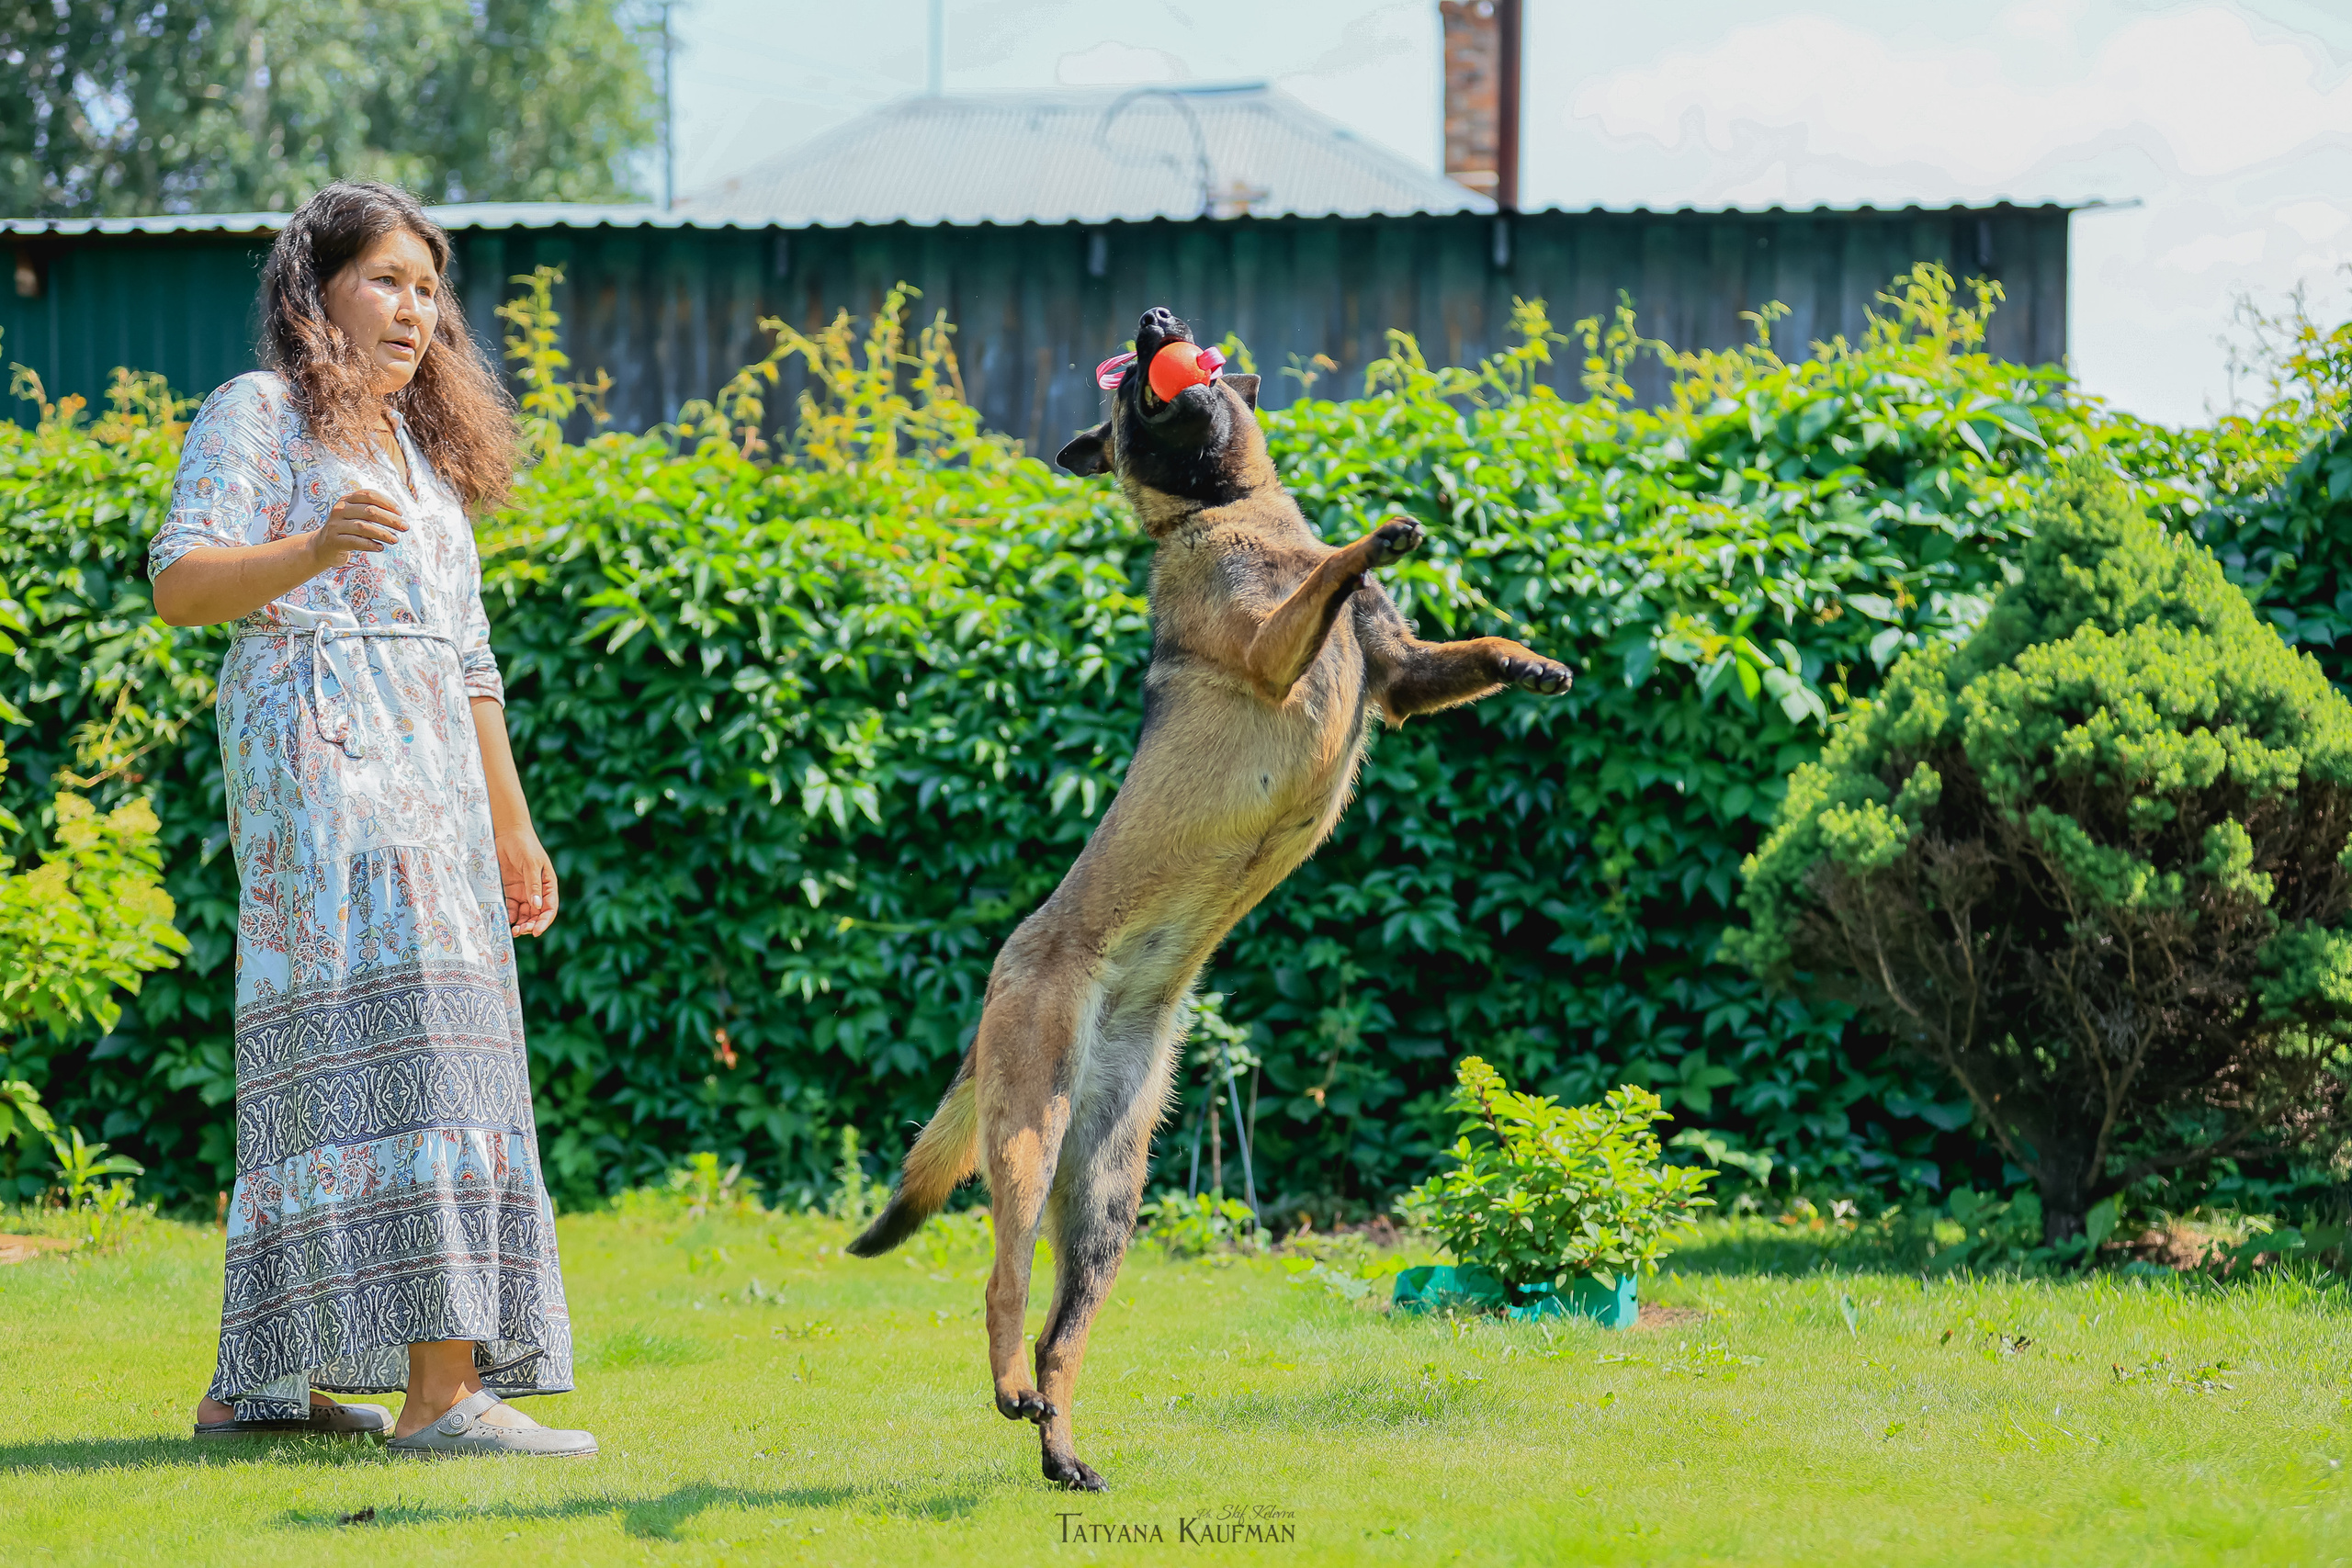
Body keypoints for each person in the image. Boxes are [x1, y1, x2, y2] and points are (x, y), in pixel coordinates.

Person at [151, 180, 592, 1457]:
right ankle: (444, 1396)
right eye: (389, 280)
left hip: (438, 783)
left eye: (428, 287)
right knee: (399, 1043)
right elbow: (183, 580)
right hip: (321, 764)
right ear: (320, 290)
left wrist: (512, 825)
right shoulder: (261, 414)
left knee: (352, 1051)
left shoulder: (420, 458)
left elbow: (471, 659)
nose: (415, 308)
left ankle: (258, 1389)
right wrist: (310, 550)